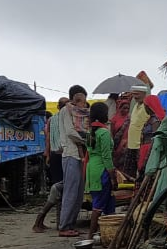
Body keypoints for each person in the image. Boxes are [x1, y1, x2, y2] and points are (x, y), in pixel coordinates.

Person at [56, 85, 88, 238]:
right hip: (71, 154)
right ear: (75, 99)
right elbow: (70, 132)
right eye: (82, 100)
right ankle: (64, 226)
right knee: (70, 192)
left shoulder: (78, 114)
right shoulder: (66, 111)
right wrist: (86, 139)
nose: (84, 103)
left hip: (79, 155)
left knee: (78, 193)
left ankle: (71, 224)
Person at [85, 102, 117, 240]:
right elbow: (106, 156)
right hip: (101, 170)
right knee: (98, 205)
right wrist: (112, 176)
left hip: (91, 168)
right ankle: (90, 235)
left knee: (108, 202)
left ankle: (107, 233)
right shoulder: (103, 133)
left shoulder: (90, 132)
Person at [137, 95, 166, 175]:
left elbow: (155, 139)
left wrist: (147, 157)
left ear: (148, 106)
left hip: (149, 150)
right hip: (145, 149)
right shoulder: (151, 119)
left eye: (145, 105)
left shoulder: (155, 121)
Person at [125, 84, 148, 177]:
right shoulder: (135, 106)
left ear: (144, 94)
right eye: (133, 94)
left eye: (137, 94)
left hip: (140, 145)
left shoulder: (147, 106)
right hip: (131, 144)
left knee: (141, 171)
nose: (134, 97)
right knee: (129, 173)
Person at [44, 97, 68, 186]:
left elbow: (48, 138)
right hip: (66, 153)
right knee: (66, 179)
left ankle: (60, 198)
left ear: (58, 107)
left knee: (58, 180)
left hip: (55, 153)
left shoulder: (51, 119)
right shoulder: (70, 119)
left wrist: (47, 154)